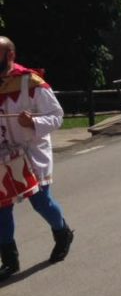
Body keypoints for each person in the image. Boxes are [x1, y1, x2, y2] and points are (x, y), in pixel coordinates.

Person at [0, 36, 73, 282]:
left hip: (32, 152)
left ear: (10, 55)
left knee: (41, 201)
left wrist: (33, 121)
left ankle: (62, 232)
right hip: (3, 155)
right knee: (1, 206)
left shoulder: (31, 81)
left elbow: (57, 116)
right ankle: (10, 260)